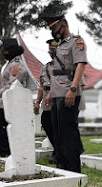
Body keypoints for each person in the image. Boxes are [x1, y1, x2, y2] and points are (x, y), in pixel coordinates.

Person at [41, 12, 87, 173]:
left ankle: (73, 168)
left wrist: (73, 89)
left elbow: (80, 65)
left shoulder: (76, 42)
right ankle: (62, 165)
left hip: (69, 91)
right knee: (57, 131)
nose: (52, 31)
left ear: (63, 25)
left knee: (68, 131)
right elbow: (54, 72)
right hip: (56, 93)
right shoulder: (59, 45)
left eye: (54, 28)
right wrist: (49, 94)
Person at [0, 38, 29, 157]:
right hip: (5, 101)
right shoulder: (10, 64)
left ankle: (8, 154)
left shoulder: (17, 66)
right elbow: (2, 85)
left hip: (13, 101)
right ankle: (7, 154)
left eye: (5, 51)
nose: (3, 53)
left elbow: (12, 86)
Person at [33, 39, 58, 164]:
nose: (50, 51)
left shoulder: (64, 66)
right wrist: (38, 102)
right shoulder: (45, 67)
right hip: (47, 101)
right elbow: (42, 86)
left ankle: (59, 153)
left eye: (53, 49)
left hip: (59, 99)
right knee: (46, 123)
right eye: (49, 49)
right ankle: (57, 149)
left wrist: (51, 94)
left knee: (58, 127)